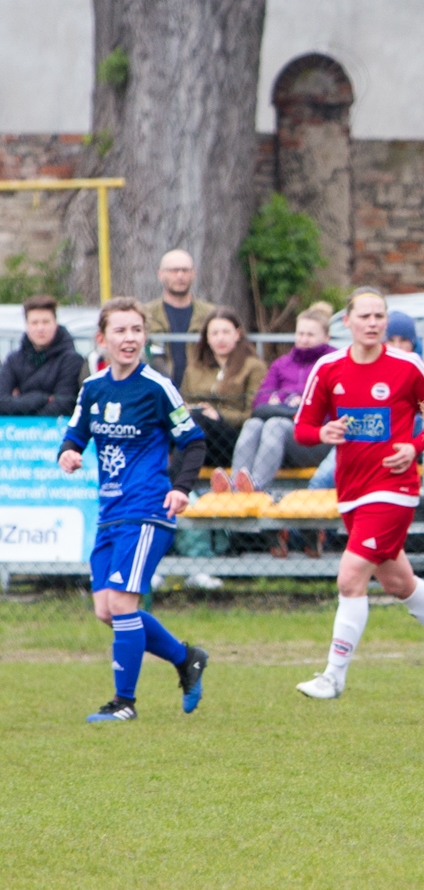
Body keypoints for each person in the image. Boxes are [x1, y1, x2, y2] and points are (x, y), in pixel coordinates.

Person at [290, 288, 424, 700]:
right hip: (352, 491)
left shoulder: (406, 365)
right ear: (348, 321)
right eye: (366, 315)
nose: (374, 323)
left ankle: (333, 676)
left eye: (380, 315)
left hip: (393, 490)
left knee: (350, 578)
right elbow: (302, 428)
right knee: (398, 581)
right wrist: (323, 432)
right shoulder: (328, 368)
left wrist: (413, 449)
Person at [57, 298, 210, 723]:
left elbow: (193, 440)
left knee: (124, 605)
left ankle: (124, 703)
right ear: (102, 340)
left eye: (137, 331)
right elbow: (75, 435)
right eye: (121, 331)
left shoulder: (156, 386)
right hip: (110, 512)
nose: (130, 339)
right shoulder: (93, 388)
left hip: (146, 509)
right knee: (106, 610)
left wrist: (180, 488)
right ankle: (186, 658)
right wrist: (67, 454)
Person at [215, 309, 336, 495]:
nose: (303, 339)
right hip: (280, 441)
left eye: (310, 335)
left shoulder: (332, 363)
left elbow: (326, 409)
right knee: (253, 424)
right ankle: (235, 485)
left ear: (326, 337)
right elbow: (260, 403)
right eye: (300, 333)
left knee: (275, 424)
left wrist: (279, 403)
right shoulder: (282, 364)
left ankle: (255, 487)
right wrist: (291, 405)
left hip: (314, 439)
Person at [179, 307, 265, 468]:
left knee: (198, 422)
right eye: (215, 333)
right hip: (199, 436)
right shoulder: (194, 369)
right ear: (207, 338)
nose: (220, 338)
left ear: (237, 334)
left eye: (226, 332)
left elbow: (251, 414)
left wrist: (217, 415)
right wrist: (192, 409)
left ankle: (172, 483)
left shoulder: (253, 367)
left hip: (233, 438)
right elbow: (182, 404)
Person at [0, 294, 84, 416]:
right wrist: (41, 399)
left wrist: (19, 403)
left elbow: (64, 405)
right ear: (27, 326)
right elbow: (2, 402)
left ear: (55, 323)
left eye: (46, 322)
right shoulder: (14, 360)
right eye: (34, 323)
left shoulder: (71, 360)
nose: (40, 328)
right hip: (15, 432)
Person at [140, 249, 214, 389]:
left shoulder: (211, 314)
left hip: (199, 391)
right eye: (174, 270)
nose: (180, 275)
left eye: (185, 270)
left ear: (193, 274)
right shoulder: (145, 314)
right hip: (158, 389)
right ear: (160, 274)